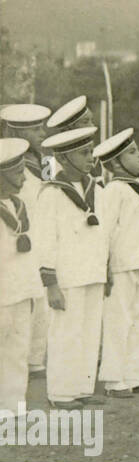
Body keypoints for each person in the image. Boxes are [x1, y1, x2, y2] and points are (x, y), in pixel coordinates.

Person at [35, 126, 109, 409]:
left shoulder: (94, 189)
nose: (91, 158)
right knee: (66, 332)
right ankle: (61, 392)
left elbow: (100, 234)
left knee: (89, 331)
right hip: (67, 275)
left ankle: (82, 386)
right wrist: (51, 282)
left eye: (90, 151)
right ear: (64, 159)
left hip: (91, 270)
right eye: (84, 153)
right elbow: (45, 240)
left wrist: (106, 269)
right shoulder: (52, 192)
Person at [95, 128, 139, 397]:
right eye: (133, 153)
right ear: (115, 163)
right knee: (119, 319)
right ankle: (114, 378)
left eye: (138, 152)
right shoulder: (114, 190)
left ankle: (135, 374)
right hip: (123, 263)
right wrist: (105, 265)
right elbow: (105, 231)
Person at [0, 104, 52, 381]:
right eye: (34, 129)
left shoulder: (46, 160)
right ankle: (26, 361)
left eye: (42, 127)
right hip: (15, 236)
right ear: (14, 131)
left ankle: (36, 358)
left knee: (40, 299)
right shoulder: (6, 160)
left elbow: (54, 190)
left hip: (42, 232)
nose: (41, 133)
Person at [0, 138, 41, 419]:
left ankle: (13, 407)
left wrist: (30, 290)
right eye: (16, 173)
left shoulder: (18, 206)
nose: (23, 177)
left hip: (21, 291)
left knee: (17, 351)